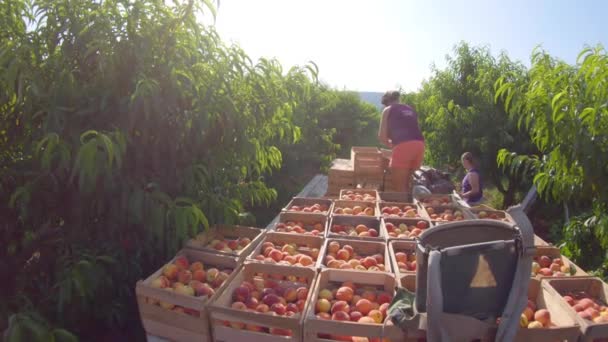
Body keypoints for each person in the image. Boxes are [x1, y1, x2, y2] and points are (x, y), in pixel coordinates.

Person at [378, 90, 425, 193]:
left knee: (400, 189)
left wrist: (393, 146)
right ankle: (415, 206)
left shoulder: (388, 110)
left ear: (387, 102)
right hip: (420, 145)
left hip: (404, 147)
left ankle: (405, 207)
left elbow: (381, 137)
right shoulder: (410, 109)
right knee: (408, 184)